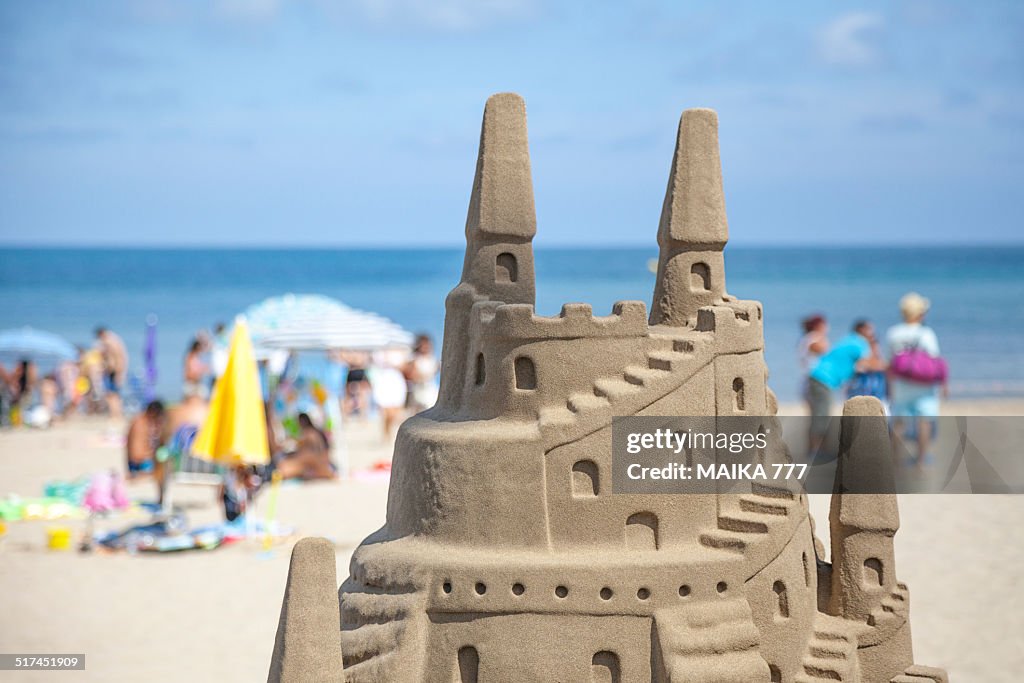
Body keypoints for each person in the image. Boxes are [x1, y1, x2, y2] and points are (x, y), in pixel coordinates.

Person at [886, 292, 946, 470]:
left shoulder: (893, 333)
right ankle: (921, 459)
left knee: (899, 421)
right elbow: (934, 359)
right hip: (924, 384)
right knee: (924, 421)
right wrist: (943, 382)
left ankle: (894, 459)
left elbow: (890, 362)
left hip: (901, 382)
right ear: (920, 313)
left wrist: (889, 385)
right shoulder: (926, 333)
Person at [806, 320, 885, 455]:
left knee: (821, 414)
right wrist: (893, 367)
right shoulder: (859, 342)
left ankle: (818, 449)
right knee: (822, 415)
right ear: (861, 330)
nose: (872, 334)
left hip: (821, 377)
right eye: (869, 331)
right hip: (824, 378)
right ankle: (815, 450)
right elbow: (870, 362)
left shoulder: (850, 340)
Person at [275, 412, 337, 480]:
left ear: (303, 422)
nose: (298, 425)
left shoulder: (309, 433)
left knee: (285, 467)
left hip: (316, 463)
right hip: (319, 463)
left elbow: (301, 446)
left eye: (298, 422)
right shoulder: (313, 432)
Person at [797, 315, 829, 414]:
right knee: (820, 413)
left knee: (815, 414)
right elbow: (825, 351)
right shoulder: (813, 338)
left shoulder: (806, 338)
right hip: (815, 380)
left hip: (808, 380)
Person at [125, 400, 165, 478]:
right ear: (153, 412)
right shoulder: (140, 424)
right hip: (139, 464)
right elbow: (136, 455)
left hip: (140, 462)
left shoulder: (147, 422)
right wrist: (153, 456)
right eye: (158, 416)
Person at [95, 326, 128, 418]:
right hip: (112, 370)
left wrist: (119, 373)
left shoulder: (110, 341)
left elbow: (118, 357)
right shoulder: (112, 340)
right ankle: (116, 413)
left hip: (113, 370)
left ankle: (115, 414)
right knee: (113, 394)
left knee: (111, 394)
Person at [404, 334, 440, 413]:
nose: (426, 347)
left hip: (430, 389)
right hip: (418, 389)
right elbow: (410, 374)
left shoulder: (432, 359)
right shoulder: (414, 359)